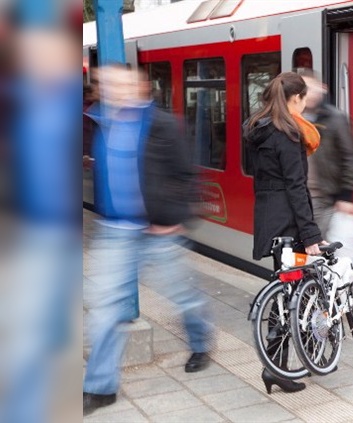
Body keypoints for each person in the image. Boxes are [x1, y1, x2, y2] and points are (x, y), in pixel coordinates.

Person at [82, 65, 211, 416]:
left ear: (138, 86)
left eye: (120, 82)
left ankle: (201, 342)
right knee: (106, 309)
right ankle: (100, 387)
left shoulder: (163, 124)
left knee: (182, 295)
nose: (113, 89)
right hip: (116, 230)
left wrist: (171, 219)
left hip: (158, 229)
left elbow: (185, 175)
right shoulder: (98, 123)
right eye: (106, 84)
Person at [243, 71, 324, 393]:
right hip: (290, 223)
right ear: (297, 98)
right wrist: (313, 235)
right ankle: (279, 366)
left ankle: (278, 365)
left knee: (285, 293)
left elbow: (257, 175)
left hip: (269, 220)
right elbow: (296, 187)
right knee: (293, 295)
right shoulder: (289, 135)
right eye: (304, 99)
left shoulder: (258, 130)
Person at [298, 71, 353, 238]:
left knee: (319, 249)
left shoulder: (336, 119)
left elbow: (350, 158)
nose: (308, 94)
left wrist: (346, 196)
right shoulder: (291, 119)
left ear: (322, 89)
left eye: (311, 88)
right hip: (296, 199)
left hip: (323, 198)